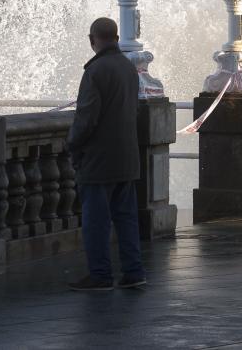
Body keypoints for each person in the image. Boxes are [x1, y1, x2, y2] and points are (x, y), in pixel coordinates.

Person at [66, 17, 146, 291]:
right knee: (126, 218)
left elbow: (86, 117)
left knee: (96, 221)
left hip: (99, 160)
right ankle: (134, 271)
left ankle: (100, 275)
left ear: (93, 39)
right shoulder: (128, 68)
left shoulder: (96, 71)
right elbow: (134, 110)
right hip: (126, 157)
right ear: (115, 37)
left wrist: (73, 144)